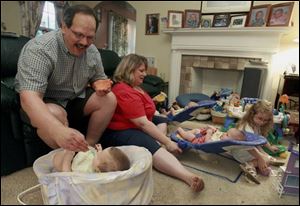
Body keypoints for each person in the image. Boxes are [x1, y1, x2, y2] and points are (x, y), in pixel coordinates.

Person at [14, 5, 117, 152]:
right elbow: (29, 98)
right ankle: (65, 159)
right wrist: (57, 130)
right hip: (46, 100)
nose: (84, 43)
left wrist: (98, 84)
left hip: (73, 98)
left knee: (109, 99)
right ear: (63, 27)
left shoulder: (92, 51)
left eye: (90, 37)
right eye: (79, 35)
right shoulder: (40, 49)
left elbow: (98, 78)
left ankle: (88, 149)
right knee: (56, 113)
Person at [100, 54, 204, 192]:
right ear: (129, 69)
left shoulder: (137, 87)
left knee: (162, 119)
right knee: (150, 143)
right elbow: (142, 123)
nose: (145, 74)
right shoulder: (123, 90)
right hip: (120, 131)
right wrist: (168, 142)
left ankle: (158, 146)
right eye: (141, 70)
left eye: (145, 70)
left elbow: (149, 111)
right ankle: (188, 177)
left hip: (135, 122)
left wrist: (165, 114)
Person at [231, 100, 284, 184]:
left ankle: (263, 162)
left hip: (250, 149)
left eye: (266, 120)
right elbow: (248, 146)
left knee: (264, 156)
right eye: (260, 118)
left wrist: (269, 147)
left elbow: (260, 138)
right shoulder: (246, 127)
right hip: (241, 151)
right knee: (263, 159)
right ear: (252, 114)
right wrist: (260, 158)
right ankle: (249, 165)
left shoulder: (256, 125)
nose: (262, 122)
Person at [53, 144, 130, 172]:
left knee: (58, 160)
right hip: (77, 156)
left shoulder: (86, 172)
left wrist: (68, 156)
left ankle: (63, 154)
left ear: (98, 169)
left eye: (99, 157)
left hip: (67, 163)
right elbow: (99, 157)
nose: (97, 155)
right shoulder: (97, 163)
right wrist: (99, 151)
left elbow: (67, 175)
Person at [177, 127, 245, 144]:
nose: (224, 134)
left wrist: (209, 133)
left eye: (227, 135)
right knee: (196, 130)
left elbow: (207, 142)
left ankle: (181, 131)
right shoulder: (223, 138)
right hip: (202, 135)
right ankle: (188, 132)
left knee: (190, 136)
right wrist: (213, 130)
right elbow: (217, 132)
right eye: (226, 132)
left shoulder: (218, 143)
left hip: (197, 141)